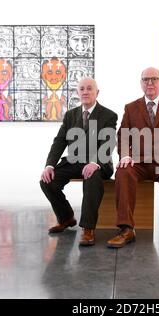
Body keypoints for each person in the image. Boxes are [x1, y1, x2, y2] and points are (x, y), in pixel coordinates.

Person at [107, 67, 159, 248]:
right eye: (146, 79)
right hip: (138, 163)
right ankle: (126, 229)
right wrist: (125, 155)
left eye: (154, 79)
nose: (150, 83)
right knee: (122, 173)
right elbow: (123, 136)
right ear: (141, 83)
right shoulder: (131, 108)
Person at [40, 78, 117, 246]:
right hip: (75, 161)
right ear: (78, 92)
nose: (85, 92)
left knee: (91, 177)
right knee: (47, 181)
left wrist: (95, 162)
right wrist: (49, 165)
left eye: (90, 88)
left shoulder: (108, 115)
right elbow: (59, 141)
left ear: (97, 92)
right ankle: (66, 218)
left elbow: (108, 143)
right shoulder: (70, 115)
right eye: (82, 89)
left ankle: (88, 228)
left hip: (99, 164)